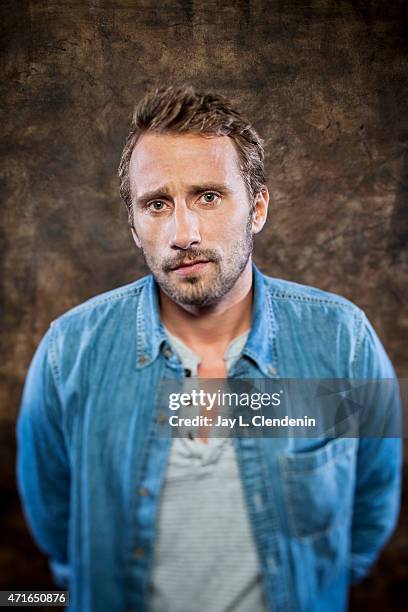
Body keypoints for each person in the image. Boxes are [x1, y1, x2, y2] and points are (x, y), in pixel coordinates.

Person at [16, 85, 402, 612]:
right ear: (133, 225)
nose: (184, 232)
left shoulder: (343, 341)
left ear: (258, 207)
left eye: (209, 196)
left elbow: (371, 505)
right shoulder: (68, 353)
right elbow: (57, 526)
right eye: (157, 204)